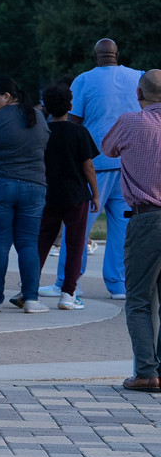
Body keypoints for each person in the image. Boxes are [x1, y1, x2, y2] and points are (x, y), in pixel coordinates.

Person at [100, 69, 161, 391]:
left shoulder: (132, 121)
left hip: (147, 217)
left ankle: (146, 372)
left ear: (139, 94)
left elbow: (108, 149)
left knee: (138, 299)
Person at [74, 38, 142, 300]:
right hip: (128, 165)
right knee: (121, 229)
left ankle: (69, 282)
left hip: (95, 165)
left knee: (80, 226)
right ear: (117, 54)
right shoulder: (137, 77)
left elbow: (74, 121)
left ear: (96, 56)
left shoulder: (83, 80)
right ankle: (118, 284)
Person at [0, 75, 51, 313]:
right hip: (34, 185)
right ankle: (31, 298)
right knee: (28, 243)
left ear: (6, 96)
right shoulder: (37, 117)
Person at [37, 85, 98, 309]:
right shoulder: (79, 132)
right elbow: (88, 166)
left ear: (46, 108)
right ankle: (68, 294)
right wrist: (95, 194)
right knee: (74, 244)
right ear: (71, 107)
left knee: (41, 242)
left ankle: (29, 287)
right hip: (76, 194)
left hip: (48, 194)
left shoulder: (42, 132)